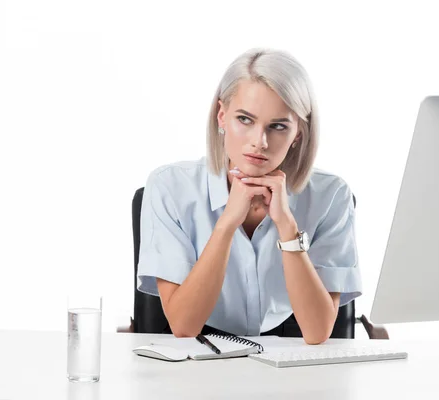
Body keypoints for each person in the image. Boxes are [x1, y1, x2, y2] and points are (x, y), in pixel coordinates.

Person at [136, 48, 361, 344]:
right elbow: (184, 326)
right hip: (199, 349)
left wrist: (287, 226)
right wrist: (227, 223)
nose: (260, 142)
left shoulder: (331, 195)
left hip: (290, 346)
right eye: (245, 120)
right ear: (222, 116)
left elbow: (318, 332)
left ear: (298, 135)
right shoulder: (170, 187)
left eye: (278, 126)